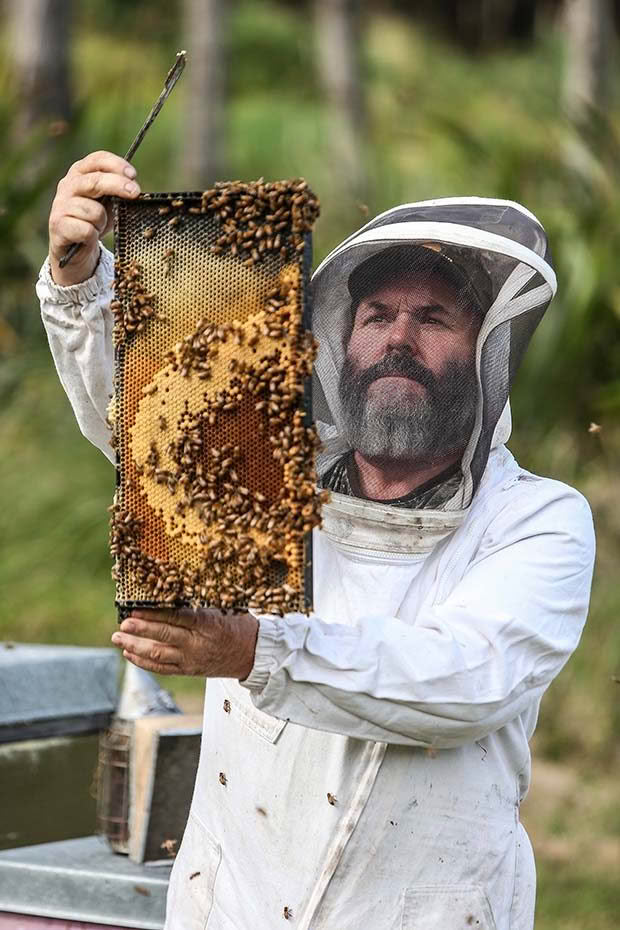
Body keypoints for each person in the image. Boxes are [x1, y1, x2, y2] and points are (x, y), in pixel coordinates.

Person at [38, 152, 595, 930]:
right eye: (377, 317)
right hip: (231, 904)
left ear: (486, 350)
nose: (399, 339)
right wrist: (79, 276)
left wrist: (252, 650)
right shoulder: (267, 479)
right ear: (341, 339)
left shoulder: (538, 520)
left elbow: (471, 678)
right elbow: (141, 424)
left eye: (433, 319)